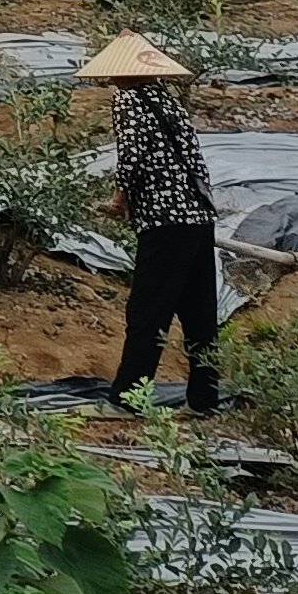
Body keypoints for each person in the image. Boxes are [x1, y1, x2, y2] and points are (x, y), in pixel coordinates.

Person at [81, 34, 221, 415]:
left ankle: (128, 399)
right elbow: (193, 158)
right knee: (200, 312)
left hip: (165, 220)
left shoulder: (127, 100)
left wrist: (119, 199)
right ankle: (205, 400)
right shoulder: (168, 100)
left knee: (148, 311)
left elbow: (133, 156)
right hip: (197, 216)